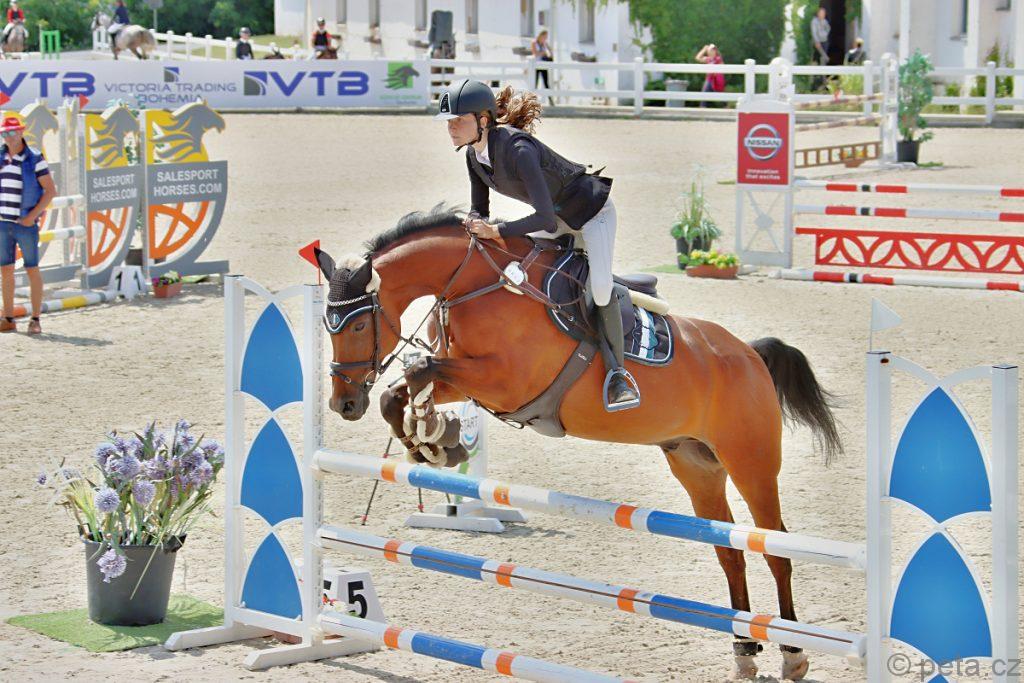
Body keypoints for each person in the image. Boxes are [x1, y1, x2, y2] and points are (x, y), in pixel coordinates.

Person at [435, 79, 641, 411]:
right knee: (519, 266)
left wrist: (496, 229)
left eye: (458, 120)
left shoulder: (519, 150)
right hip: (558, 217)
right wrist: (473, 222)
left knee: (601, 290)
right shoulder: (474, 156)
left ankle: (619, 375)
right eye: (449, 121)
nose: (451, 127)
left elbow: (544, 219)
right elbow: (480, 209)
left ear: (483, 120)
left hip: (592, 215)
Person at [0, 115, 57, 334]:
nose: (8, 137)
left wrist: (32, 216)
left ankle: (35, 319)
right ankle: (8, 318)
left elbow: (50, 191)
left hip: (25, 224)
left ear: (21, 132)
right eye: (5, 133)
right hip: (3, 223)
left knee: (32, 269)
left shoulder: (35, 158)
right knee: (5, 270)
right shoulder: (1, 157)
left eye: (12, 132)